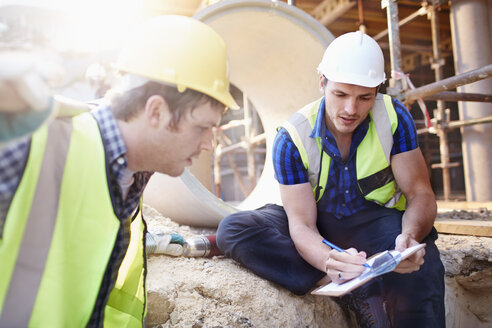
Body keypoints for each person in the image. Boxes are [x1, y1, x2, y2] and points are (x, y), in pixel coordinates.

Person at [0, 15, 238, 327]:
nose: (209, 144)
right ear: (156, 111)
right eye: (202, 127)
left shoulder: (132, 174)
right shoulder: (32, 144)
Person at [216, 31, 445, 327]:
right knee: (234, 230)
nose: (351, 110)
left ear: (377, 89)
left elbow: (420, 194)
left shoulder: (393, 118)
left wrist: (409, 238)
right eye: (340, 94)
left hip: (377, 224)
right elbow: (302, 225)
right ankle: (353, 289)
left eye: (364, 97)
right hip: (317, 225)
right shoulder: (292, 137)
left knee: (423, 266)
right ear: (322, 82)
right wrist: (327, 261)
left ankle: (370, 280)